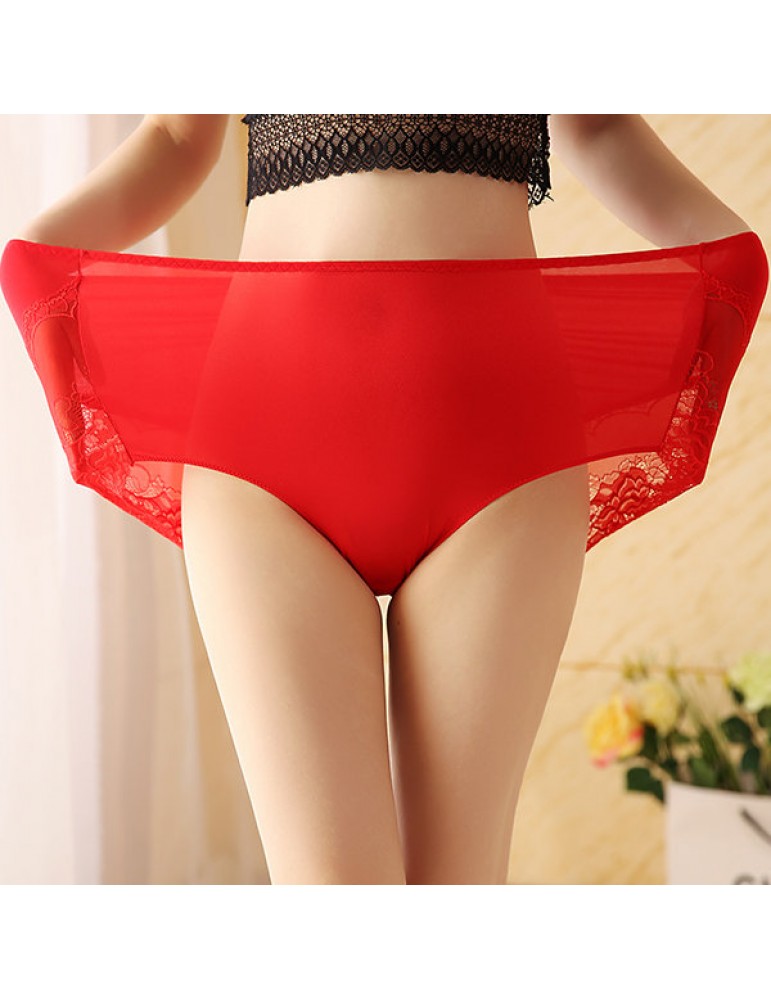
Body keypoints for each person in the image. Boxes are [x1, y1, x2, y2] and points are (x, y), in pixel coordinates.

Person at [1, 114, 766, 885]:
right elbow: (174, 136)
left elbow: (596, 126)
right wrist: (37, 249)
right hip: (262, 432)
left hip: (500, 436)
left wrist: (730, 250)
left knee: (456, 890)